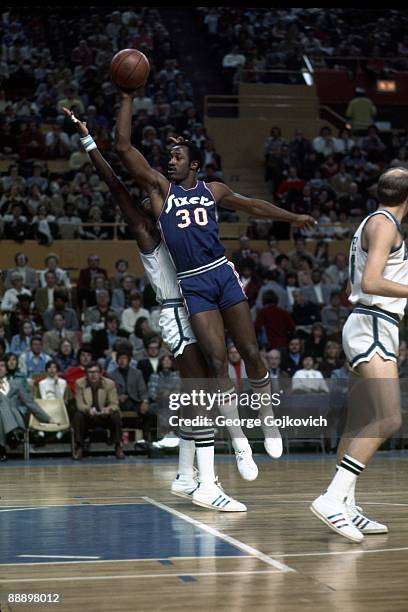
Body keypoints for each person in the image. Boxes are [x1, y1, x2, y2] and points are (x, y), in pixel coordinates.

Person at [115, 89, 316, 469]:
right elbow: (124, 148)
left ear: (194, 165)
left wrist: (292, 218)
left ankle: (267, 422)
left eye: (177, 158)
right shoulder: (161, 191)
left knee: (252, 353)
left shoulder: (214, 189)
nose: (170, 161)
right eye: (169, 157)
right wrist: (127, 97)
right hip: (193, 282)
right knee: (217, 361)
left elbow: (254, 206)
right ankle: (239, 440)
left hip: (221, 275)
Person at [64, 106, 246, 511]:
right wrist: (88, 140)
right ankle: (208, 484)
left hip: (196, 306)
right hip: (178, 313)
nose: (154, 198)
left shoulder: (183, 221)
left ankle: (185, 476)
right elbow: (114, 183)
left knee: (197, 392)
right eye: (149, 197)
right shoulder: (146, 230)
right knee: (203, 392)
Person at [311, 167, 408, 543]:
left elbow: (361, 282)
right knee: (388, 419)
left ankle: (347, 503)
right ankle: (333, 497)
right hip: (371, 323)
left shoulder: (373, 221)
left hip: (371, 322)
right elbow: (369, 282)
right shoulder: (385, 225)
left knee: (361, 420)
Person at [0, 357, 57, 461]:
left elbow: (30, 403)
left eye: (2, 365)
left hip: (16, 418)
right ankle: (11, 434)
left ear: (7, 369)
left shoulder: (16, 384)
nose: (0, 368)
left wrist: (47, 418)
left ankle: (2, 447)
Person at [73, 362, 125, 460]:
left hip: (104, 415)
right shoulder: (79, 383)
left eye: (96, 372)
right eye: (90, 372)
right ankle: (79, 446)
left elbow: (114, 404)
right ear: (86, 374)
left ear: (101, 373)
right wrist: (88, 410)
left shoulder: (109, 383)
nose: (93, 375)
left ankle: (118, 446)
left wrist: (108, 409)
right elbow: (79, 405)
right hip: (88, 415)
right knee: (78, 415)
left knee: (116, 416)